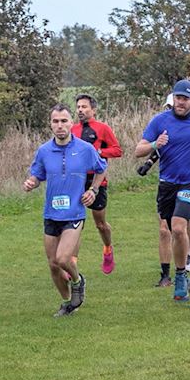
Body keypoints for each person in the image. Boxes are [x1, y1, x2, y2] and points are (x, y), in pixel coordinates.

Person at [22, 104, 107, 316]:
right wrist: (31, 182)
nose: (60, 125)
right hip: (51, 214)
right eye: (55, 121)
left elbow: (101, 169)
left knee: (62, 259)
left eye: (64, 121)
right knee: (53, 265)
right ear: (50, 124)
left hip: (74, 213)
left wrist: (93, 190)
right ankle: (68, 302)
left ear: (71, 123)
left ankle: (78, 281)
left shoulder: (85, 149)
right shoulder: (43, 151)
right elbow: (37, 174)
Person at [136, 79, 190, 302]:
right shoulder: (160, 121)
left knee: (178, 229)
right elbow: (138, 150)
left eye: (185, 98)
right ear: (173, 98)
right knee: (177, 229)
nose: (181, 102)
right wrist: (154, 144)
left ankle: (180, 275)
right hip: (167, 184)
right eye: (178, 98)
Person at [73, 94, 123, 275]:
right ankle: (71, 263)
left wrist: (98, 151)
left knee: (100, 224)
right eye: (78, 107)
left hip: (97, 179)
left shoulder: (102, 128)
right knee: (75, 224)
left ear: (93, 110)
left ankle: (108, 248)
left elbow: (117, 151)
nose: (80, 110)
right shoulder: (72, 130)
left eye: (84, 107)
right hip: (76, 180)